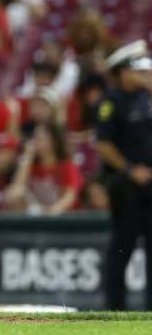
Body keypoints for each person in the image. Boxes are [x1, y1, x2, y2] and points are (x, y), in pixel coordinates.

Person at [95, 40, 152, 310]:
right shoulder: (110, 101)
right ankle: (114, 307)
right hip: (125, 184)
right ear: (121, 72)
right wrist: (130, 169)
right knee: (122, 246)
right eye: (135, 69)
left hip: (149, 185)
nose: (142, 73)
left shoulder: (146, 97)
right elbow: (103, 145)